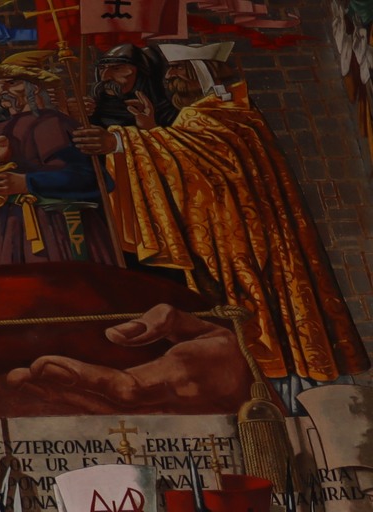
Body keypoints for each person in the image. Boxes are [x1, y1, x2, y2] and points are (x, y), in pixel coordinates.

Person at [70, 70, 367, 382]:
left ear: (205, 71)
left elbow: (198, 156)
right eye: (170, 69)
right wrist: (151, 130)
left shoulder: (212, 113)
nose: (170, 76)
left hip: (235, 237)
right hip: (235, 227)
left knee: (249, 315)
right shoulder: (227, 111)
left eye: (181, 68)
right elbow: (193, 161)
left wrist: (118, 141)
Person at [0, 57, 118, 267]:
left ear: (34, 87)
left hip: (58, 226)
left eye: (11, 83)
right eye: (0, 84)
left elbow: (91, 179)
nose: (1, 91)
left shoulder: (53, 124)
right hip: (8, 228)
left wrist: (26, 182)